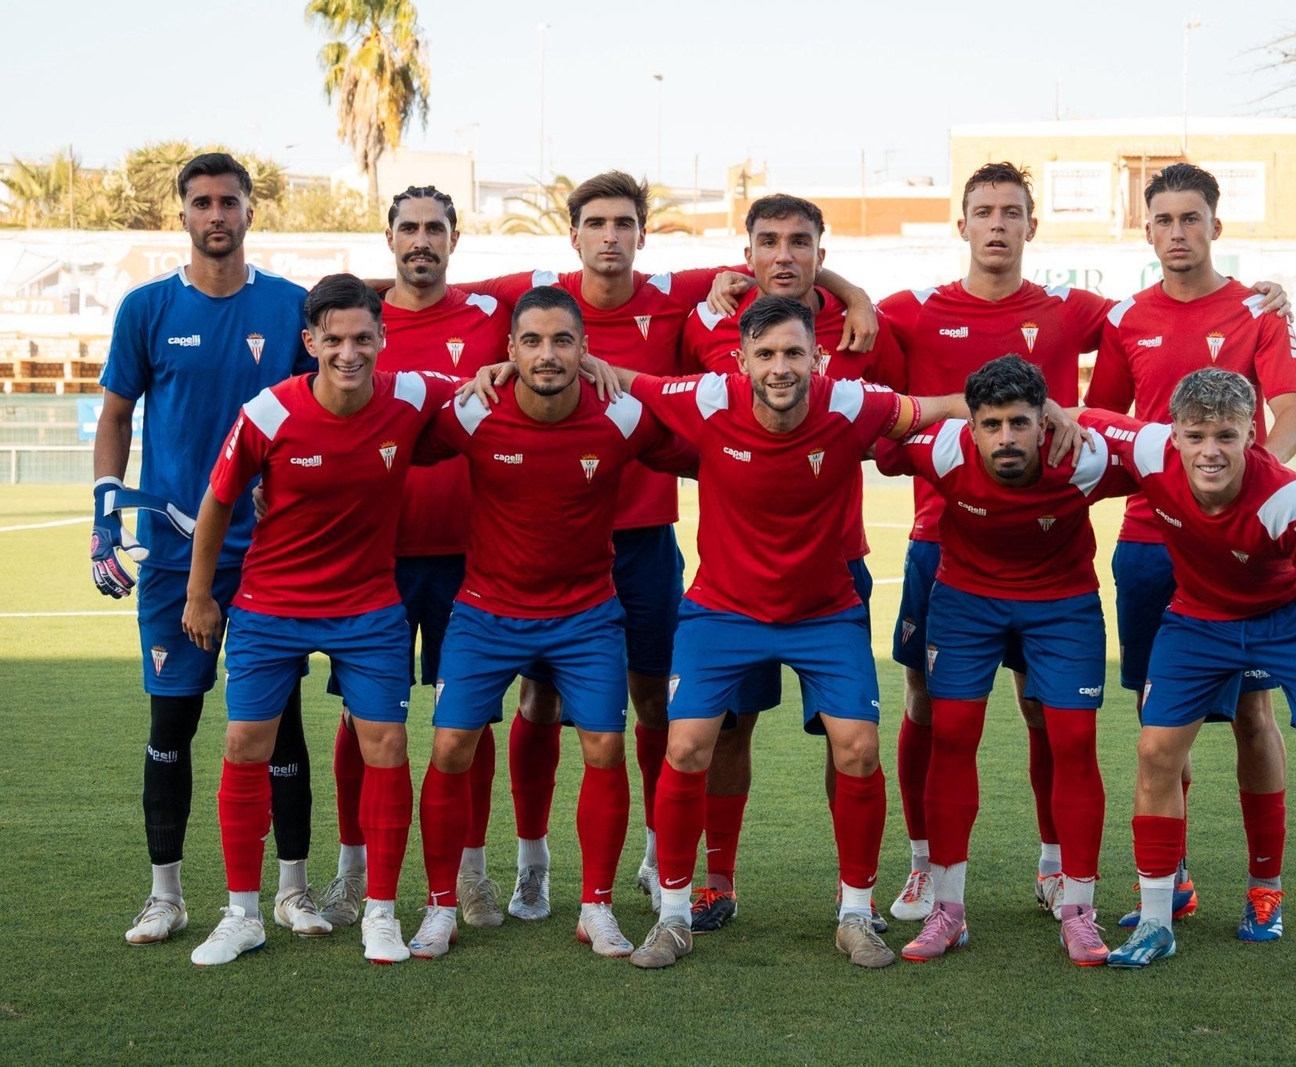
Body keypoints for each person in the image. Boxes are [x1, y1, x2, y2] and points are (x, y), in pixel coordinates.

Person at [877, 160, 1292, 922]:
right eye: (983, 211)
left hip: (1049, 548)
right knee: (930, 706)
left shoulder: (1081, 310)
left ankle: (1056, 865)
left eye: (1011, 211)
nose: (997, 224)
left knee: (1051, 712)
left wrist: (1267, 300)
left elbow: (1159, 321)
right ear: (961, 223)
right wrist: (838, 294)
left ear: (1032, 226)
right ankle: (923, 867)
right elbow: (839, 363)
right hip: (943, 537)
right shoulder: (910, 308)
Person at [468, 173, 881, 921]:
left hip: (763, 553)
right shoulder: (674, 311)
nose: (610, 236)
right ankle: (628, 867)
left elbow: (899, 403)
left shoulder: (808, 322)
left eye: (623, 223)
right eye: (596, 223)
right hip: (595, 546)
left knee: (834, 734)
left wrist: (854, 294)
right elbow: (428, 288)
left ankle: (823, 888)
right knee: (581, 703)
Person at [604, 294, 966, 970]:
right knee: (686, 745)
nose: (780, 367)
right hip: (723, 609)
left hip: (823, 612)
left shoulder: (852, 403)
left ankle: (856, 913)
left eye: (793, 352)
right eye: (765, 354)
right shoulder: (709, 397)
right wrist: (529, 365)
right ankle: (675, 913)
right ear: (741, 361)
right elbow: (624, 380)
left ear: (816, 357)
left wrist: (1020, 407)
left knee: (857, 747)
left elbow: (931, 406)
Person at [181, 274, 459, 966]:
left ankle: (382, 914)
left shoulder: (413, 395)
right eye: (333, 339)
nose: (348, 351)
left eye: (362, 337)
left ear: (381, 338)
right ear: (310, 342)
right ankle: (242, 913)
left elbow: (488, 387)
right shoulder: (270, 413)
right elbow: (217, 502)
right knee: (246, 741)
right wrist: (199, 595)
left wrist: (510, 365)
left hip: (367, 611)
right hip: (270, 606)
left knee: (387, 747)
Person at [419, 285, 696, 959]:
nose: (548, 354)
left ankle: (596, 907)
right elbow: (393, 437)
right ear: (509, 351)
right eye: (533, 341)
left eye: (563, 340)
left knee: (603, 748)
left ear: (585, 349)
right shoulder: (476, 410)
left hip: (585, 615)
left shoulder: (620, 416)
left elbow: (702, 443)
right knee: (451, 748)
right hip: (486, 612)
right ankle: (440, 905)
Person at [92, 152, 322, 946]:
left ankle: (293, 889)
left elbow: (315, 413)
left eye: (229, 201)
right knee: (173, 723)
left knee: (279, 724)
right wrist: (103, 509)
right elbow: (117, 414)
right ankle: (166, 895)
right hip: (170, 554)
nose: (216, 215)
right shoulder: (146, 308)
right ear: (182, 215)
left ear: (251, 211)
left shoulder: (291, 307)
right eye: (202, 203)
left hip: (268, 556)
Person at [1079, 368, 1296, 986]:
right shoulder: (1150, 450)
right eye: (1196, 435)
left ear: (1251, 437)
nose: (1210, 450)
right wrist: (1053, 415)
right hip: (1198, 620)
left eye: (1227, 435)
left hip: (1289, 622)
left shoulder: (1289, 499)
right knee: (1155, 750)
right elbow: (1082, 417)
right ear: (1176, 435)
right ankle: (1158, 922)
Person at [1085, 162, 1296, 933]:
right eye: (1163, 220)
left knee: (1254, 714)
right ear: (1146, 231)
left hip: (1244, 552)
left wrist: (1245, 502)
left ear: (1216, 223)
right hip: (1153, 544)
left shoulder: (1257, 308)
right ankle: (1171, 879)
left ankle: (1264, 885)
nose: (1177, 233)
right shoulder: (1126, 318)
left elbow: (1292, 415)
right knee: (1161, 723)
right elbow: (1104, 427)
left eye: (1191, 218)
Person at [676, 193, 907, 934]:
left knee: (850, 739)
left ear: (821, 251)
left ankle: (855, 898)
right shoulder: (712, 323)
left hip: (834, 574)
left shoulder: (862, 329)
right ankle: (716, 879)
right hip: (737, 576)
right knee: (725, 730)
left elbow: (896, 428)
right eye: (767, 241)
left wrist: (853, 294)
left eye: (799, 242)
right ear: (745, 254)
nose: (783, 255)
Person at [874, 356, 1135, 965]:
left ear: (1045, 422)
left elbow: (1165, 449)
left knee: (1073, 742)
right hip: (966, 603)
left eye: (1020, 422)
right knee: (954, 737)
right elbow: (872, 427)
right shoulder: (942, 450)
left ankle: (1079, 911)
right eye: (990, 424)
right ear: (971, 427)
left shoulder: (1086, 456)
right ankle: (947, 910)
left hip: (1062, 607)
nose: (1006, 438)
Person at [318, 186, 511, 933]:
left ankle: (471, 871)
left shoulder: (491, 315)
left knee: (470, 719)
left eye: (436, 228)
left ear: (456, 239)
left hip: (474, 554)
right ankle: (351, 869)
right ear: (388, 237)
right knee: (358, 719)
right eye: (409, 228)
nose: (422, 240)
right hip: (377, 557)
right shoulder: (359, 320)